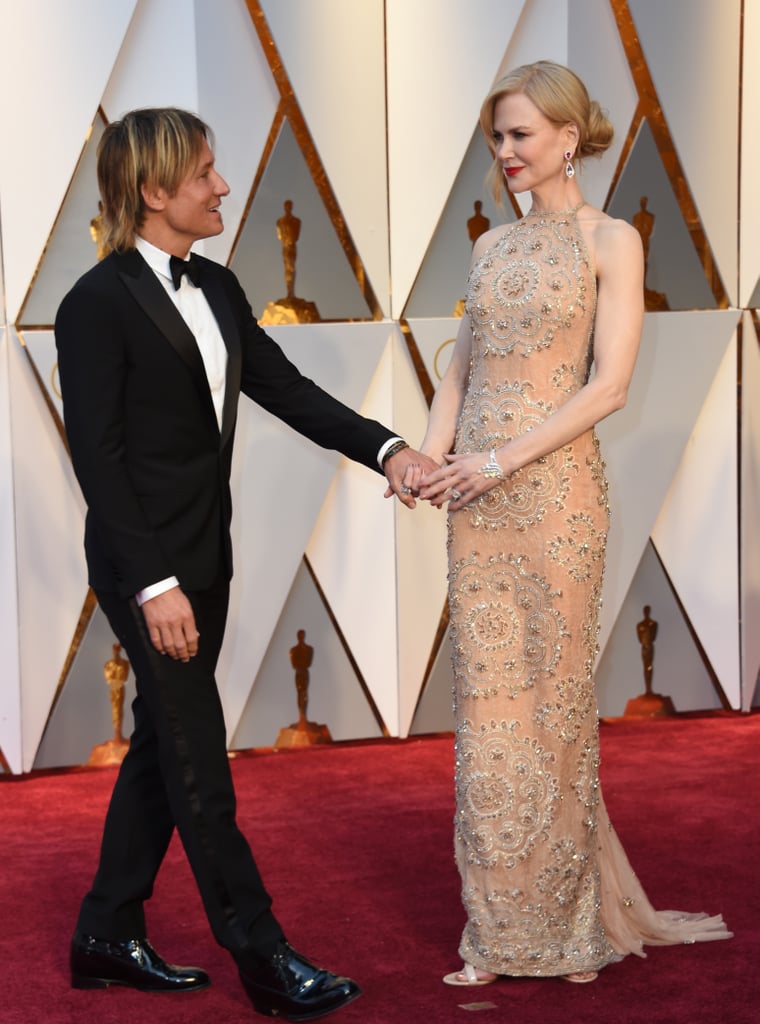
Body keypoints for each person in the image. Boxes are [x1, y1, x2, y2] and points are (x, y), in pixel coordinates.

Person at [55, 106, 435, 1022]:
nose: (223, 185)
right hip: (147, 571)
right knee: (200, 764)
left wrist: (388, 448)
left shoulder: (219, 287)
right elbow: (98, 462)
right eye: (204, 174)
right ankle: (262, 956)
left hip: (206, 558)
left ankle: (105, 932)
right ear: (154, 192)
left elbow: (287, 390)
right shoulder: (94, 305)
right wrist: (153, 586)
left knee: (165, 742)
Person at [404, 60, 731, 986]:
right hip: (475, 501)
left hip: (555, 500)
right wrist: (429, 455)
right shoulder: (489, 249)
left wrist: (502, 459)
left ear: (569, 137)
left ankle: (568, 925)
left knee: (550, 709)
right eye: (497, 137)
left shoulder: (611, 240)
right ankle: (499, 934)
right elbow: (460, 374)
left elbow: (611, 385)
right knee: (488, 711)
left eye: (520, 135)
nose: (505, 152)